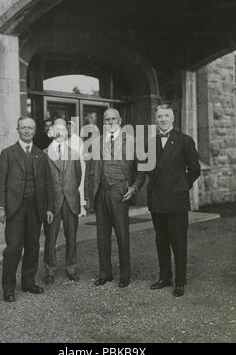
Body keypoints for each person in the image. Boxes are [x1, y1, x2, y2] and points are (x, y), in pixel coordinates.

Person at [136, 104, 201, 297]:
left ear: (173, 118)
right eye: (159, 116)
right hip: (157, 200)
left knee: (178, 241)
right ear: (155, 119)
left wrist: (181, 186)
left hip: (176, 200)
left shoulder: (185, 140)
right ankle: (165, 277)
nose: (163, 119)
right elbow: (144, 170)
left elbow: (195, 169)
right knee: (161, 240)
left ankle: (180, 281)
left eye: (166, 116)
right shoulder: (149, 142)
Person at [0, 116, 53, 302]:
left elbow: (48, 184)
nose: (26, 131)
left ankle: (28, 283)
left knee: (33, 246)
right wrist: (1, 207)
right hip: (15, 209)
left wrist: (49, 208)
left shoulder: (41, 155)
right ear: (17, 129)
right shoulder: (8, 153)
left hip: (36, 208)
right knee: (13, 248)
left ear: (35, 131)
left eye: (30, 128)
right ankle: (8, 288)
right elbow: (0, 182)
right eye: (23, 128)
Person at [84, 108, 139, 288]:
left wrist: (134, 187)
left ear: (120, 120)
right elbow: (90, 173)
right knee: (102, 236)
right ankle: (105, 273)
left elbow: (141, 170)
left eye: (113, 119)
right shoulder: (96, 142)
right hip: (101, 193)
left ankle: (125, 275)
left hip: (120, 193)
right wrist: (87, 197)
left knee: (122, 235)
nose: (110, 122)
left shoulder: (131, 141)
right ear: (103, 122)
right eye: (107, 119)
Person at [43, 118, 82, 284]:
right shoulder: (43, 154)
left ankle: (71, 268)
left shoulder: (74, 153)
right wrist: (47, 206)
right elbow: (42, 182)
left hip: (70, 201)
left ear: (67, 133)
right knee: (50, 238)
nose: (60, 133)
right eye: (56, 129)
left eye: (63, 130)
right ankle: (50, 270)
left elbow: (78, 177)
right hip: (52, 203)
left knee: (71, 237)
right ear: (51, 132)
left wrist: (70, 191)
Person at [67, 120, 86, 217]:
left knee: (80, 187)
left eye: (71, 127)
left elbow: (78, 154)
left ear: (74, 128)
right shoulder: (65, 139)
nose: (69, 129)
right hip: (69, 165)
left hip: (78, 164)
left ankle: (82, 208)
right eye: (67, 127)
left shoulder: (77, 139)